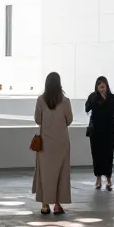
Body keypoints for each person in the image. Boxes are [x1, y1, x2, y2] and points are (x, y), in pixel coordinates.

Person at [33, 72, 73, 215]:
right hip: (61, 142)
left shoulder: (40, 100)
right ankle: (57, 204)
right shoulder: (66, 101)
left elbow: (38, 120)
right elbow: (69, 120)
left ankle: (45, 205)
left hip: (45, 143)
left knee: (45, 173)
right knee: (61, 173)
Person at [85, 76, 114, 191]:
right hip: (96, 131)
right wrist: (95, 99)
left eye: (103, 86)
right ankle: (98, 178)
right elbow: (87, 108)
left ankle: (109, 178)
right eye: (100, 87)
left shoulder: (112, 97)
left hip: (109, 130)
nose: (102, 89)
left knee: (108, 154)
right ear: (97, 87)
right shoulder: (93, 96)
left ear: (106, 86)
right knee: (96, 154)